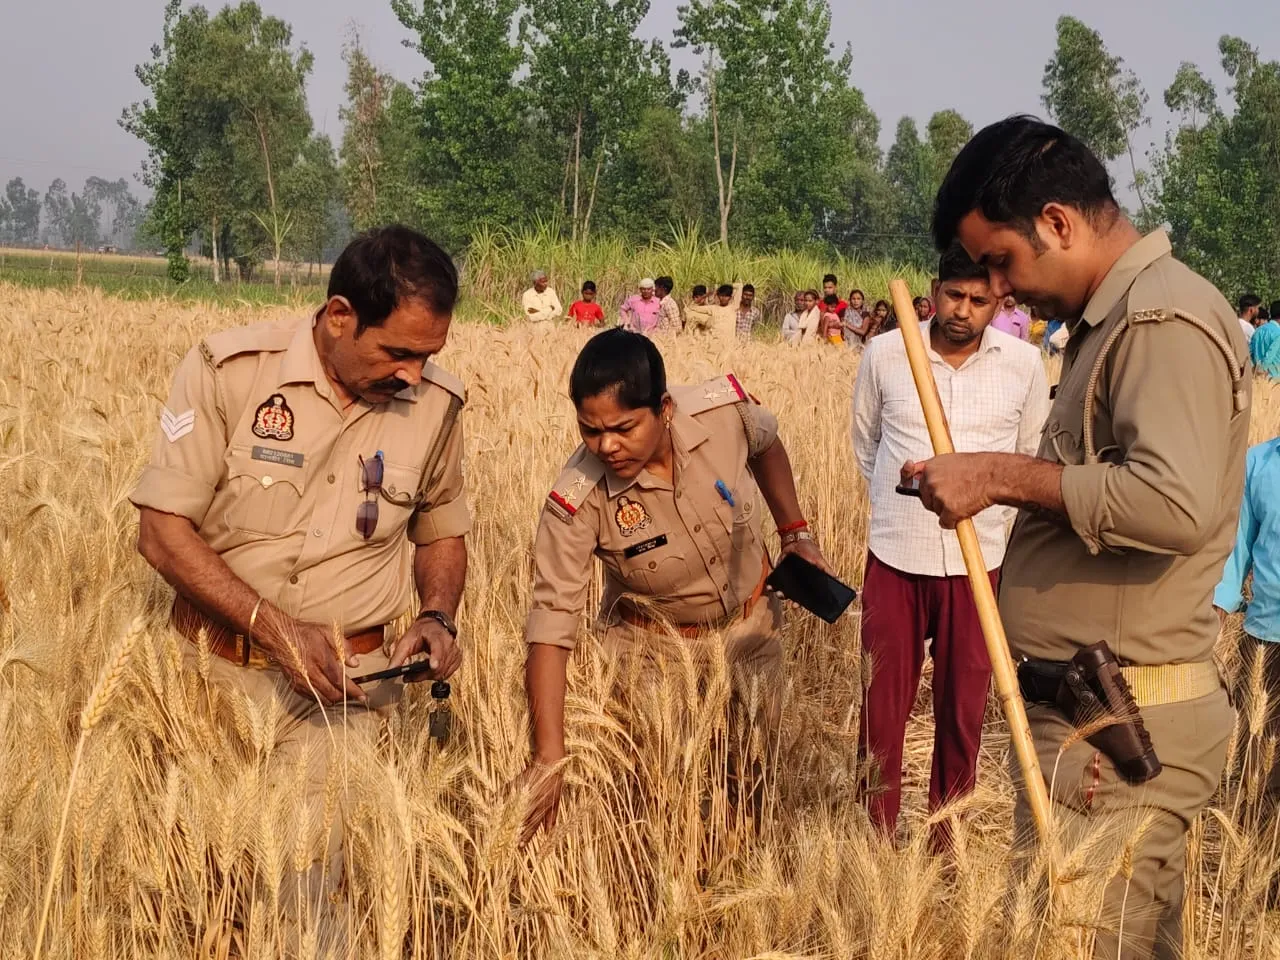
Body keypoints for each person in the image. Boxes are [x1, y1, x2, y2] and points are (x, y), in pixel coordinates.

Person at [917, 116, 1249, 960]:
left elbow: (1171, 503)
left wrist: (997, 475)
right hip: (1096, 722)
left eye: (1000, 261)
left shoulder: (1160, 321)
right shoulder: (1118, 322)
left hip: (1122, 734)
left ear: (1058, 223)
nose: (997, 288)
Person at [129, 226, 470, 935]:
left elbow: (439, 522)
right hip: (206, 683)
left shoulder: (437, 404)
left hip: (344, 693)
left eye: (428, 355)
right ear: (339, 315)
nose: (413, 373)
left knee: (314, 909)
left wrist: (437, 614)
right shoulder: (230, 372)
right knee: (189, 900)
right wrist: (274, 629)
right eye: (398, 352)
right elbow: (161, 533)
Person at [514, 329, 834, 843]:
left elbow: (768, 444)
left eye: (622, 428)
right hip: (652, 655)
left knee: (757, 781)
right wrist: (548, 757)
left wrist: (794, 531)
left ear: (663, 408)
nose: (606, 446)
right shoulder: (577, 498)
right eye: (589, 430)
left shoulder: (722, 412)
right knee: (660, 802)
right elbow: (552, 623)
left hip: (751, 629)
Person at [852, 241, 1049, 845]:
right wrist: (902, 492)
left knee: (962, 712)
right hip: (897, 555)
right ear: (934, 292)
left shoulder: (1023, 364)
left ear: (1000, 303)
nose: (963, 310)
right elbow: (866, 446)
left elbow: (1029, 456)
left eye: (979, 300)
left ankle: (947, 838)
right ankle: (875, 842)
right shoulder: (886, 355)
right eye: (953, 295)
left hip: (980, 563)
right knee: (881, 709)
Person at [1214, 437, 1280, 795]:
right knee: (1258, 762)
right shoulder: (1257, 463)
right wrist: (1218, 612)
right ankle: (1255, 840)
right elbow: (1237, 549)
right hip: (1265, 639)